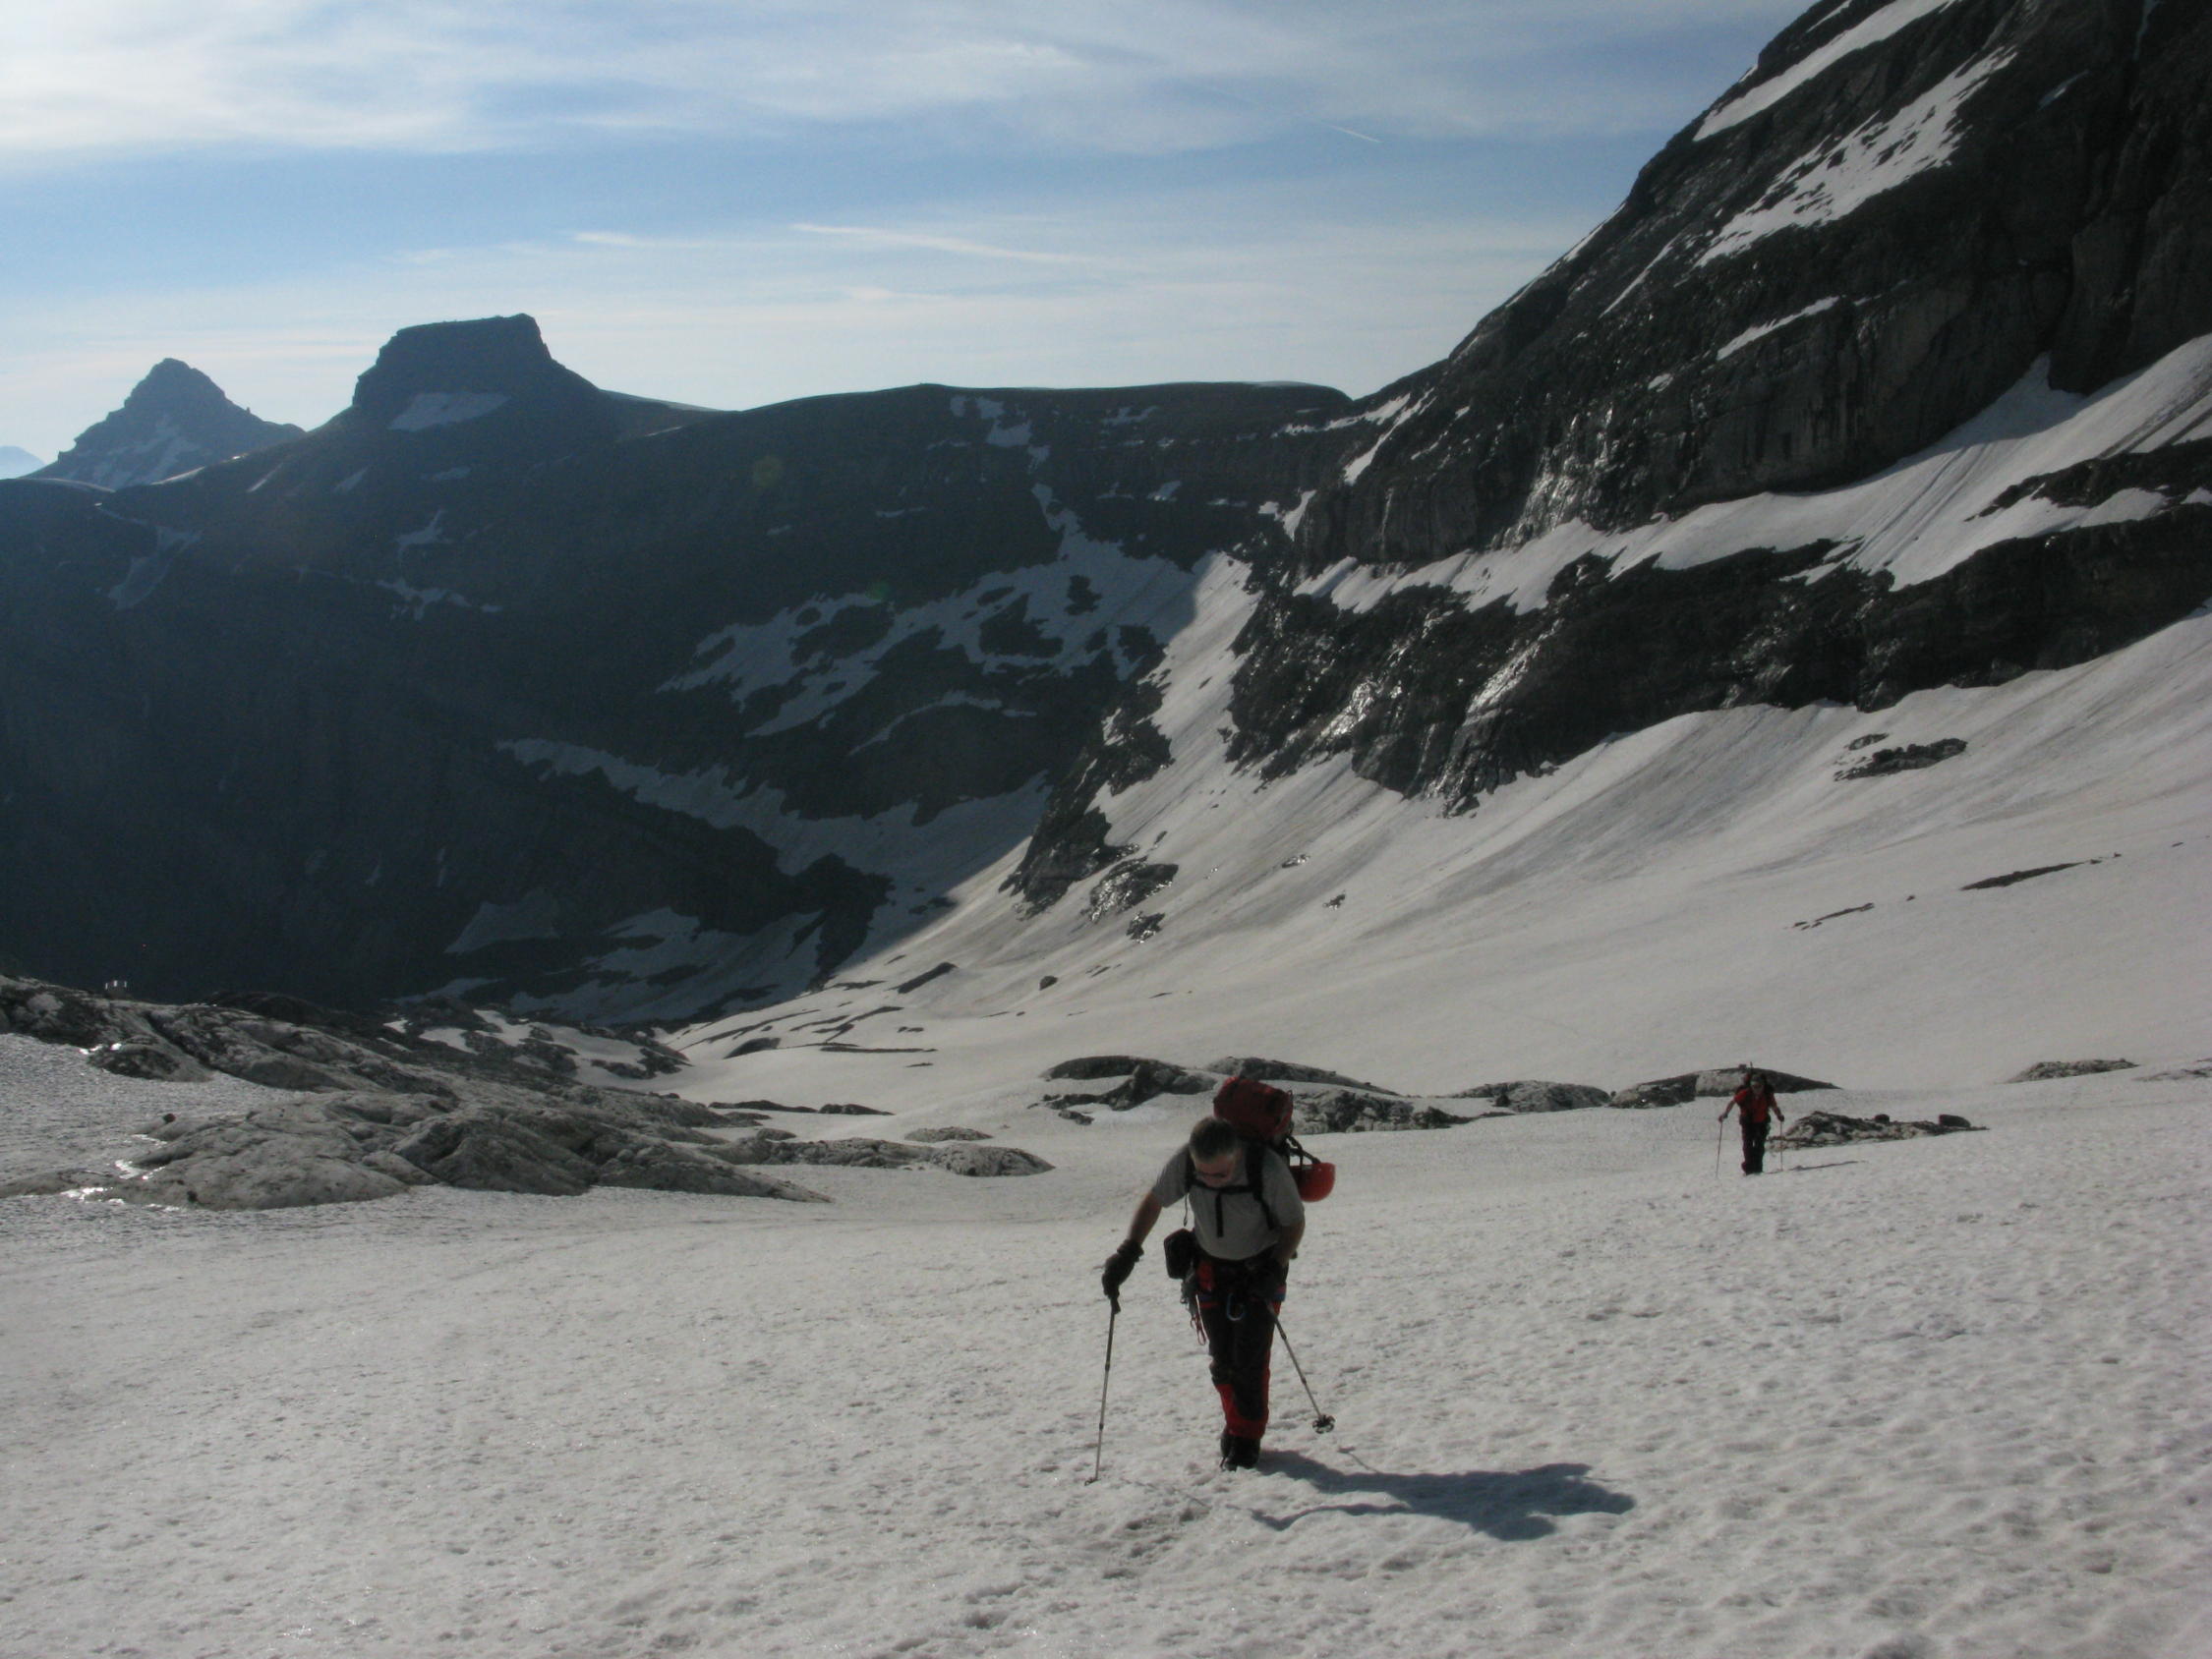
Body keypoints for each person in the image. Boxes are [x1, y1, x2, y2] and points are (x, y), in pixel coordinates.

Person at [1100, 1116, 1306, 1469]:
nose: (1211, 1181)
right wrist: (1128, 1252)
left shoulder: (1267, 1169)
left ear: (1237, 1154)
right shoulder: (1185, 1162)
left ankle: (1246, 1439)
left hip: (1259, 1272)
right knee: (1223, 1359)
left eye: (1221, 1175)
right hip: (1210, 1270)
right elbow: (1154, 1201)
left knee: (1249, 1361)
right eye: (1204, 1175)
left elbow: (1294, 1223)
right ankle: (1237, 1426)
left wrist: (1274, 1268)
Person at [1720, 1066, 1784, 1174]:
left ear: (1763, 1086)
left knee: (1759, 1145)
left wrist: (1779, 1115)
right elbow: (1733, 1102)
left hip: (1762, 1122)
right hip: (1748, 1122)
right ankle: (1749, 1167)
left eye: (1759, 1086)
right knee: (1748, 1145)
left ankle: (1757, 1168)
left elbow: (1774, 1106)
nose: (1757, 1089)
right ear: (1751, 1086)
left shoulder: (1767, 1094)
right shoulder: (1745, 1093)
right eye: (1754, 1086)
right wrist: (1725, 1113)